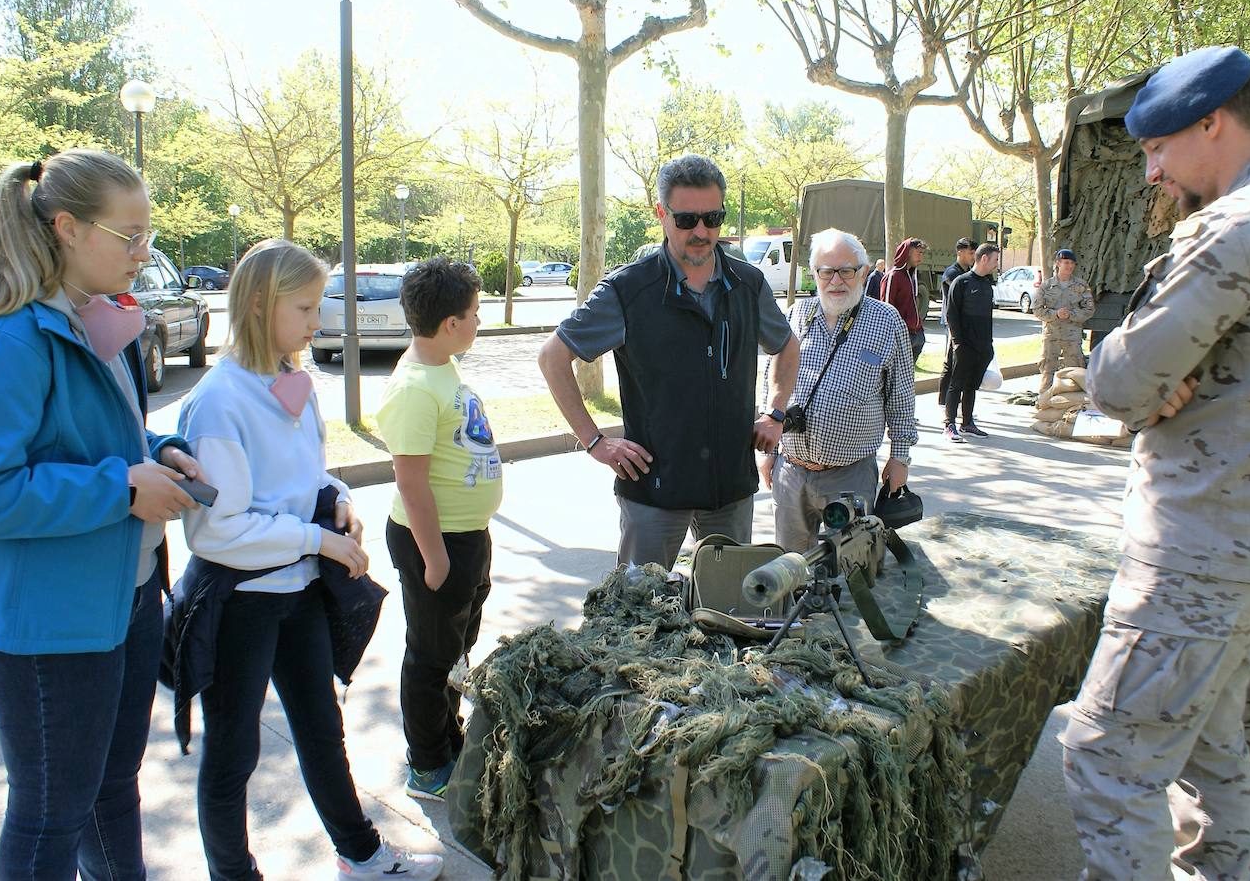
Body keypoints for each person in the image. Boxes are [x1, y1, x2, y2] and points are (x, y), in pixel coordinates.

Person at [1060, 46, 1250, 881]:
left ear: (1212, 123)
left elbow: (1115, 378)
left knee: (1106, 757)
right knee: (1212, 752)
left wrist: (1135, 374)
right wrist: (1156, 383)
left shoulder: (1241, 225)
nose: (1149, 171)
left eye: (1157, 148)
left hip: (1201, 550)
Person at [178, 239, 443, 880]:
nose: (317, 321)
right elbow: (216, 531)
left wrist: (339, 499)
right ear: (261, 304)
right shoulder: (218, 402)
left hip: (297, 594)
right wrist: (319, 541)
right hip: (242, 603)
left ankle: (360, 852)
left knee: (323, 732)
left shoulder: (291, 378)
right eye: (305, 307)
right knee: (232, 754)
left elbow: (308, 477)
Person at [0, 150, 203, 880]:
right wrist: (122, 488)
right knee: (49, 815)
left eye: (148, 234)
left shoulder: (97, 316)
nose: (145, 253)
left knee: (110, 791)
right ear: (68, 227)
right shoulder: (9, 337)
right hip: (49, 626)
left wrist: (160, 451)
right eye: (128, 235)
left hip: (124, 600)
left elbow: (107, 439)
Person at [539, 153, 799, 570]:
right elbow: (553, 357)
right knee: (637, 619)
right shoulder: (627, 290)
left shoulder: (748, 284)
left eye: (713, 219)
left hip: (730, 489)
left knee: (725, 611)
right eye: (686, 220)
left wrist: (775, 412)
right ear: (662, 214)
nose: (701, 232)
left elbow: (787, 345)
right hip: (654, 493)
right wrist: (594, 442)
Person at [376, 258, 501, 803]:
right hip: (438, 543)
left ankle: (448, 739)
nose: (478, 322)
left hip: (465, 536)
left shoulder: (442, 367)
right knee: (430, 657)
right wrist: (434, 560)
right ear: (450, 322)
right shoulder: (413, 388)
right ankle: (427, 764)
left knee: (455, 646)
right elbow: (412, 484)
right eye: (474, 314)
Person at [760, 228, 916, 551]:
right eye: (827, 271)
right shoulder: (796, 315)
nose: (836, 281)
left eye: (846, 271)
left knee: (851, 574)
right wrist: (768, 453)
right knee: (790, 572)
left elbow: (901, 397)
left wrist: (900, 458)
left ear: (863, 272)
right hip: (791, 473)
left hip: (851, 477)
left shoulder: (887, 322)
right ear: (814, 274)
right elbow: (770, 383)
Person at [941, 242, 1000, 442]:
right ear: (984, 258)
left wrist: (989, 347)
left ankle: (967, 423)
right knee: (956, 384)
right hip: (963, 346)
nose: (997, 264)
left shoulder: (987, 285)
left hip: (982, 347)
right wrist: (958, 343)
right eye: (995, 259)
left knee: (971, 386)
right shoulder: (961, 282)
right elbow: (952, 315)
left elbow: (987, 318)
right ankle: (949, 424)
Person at [1033, 248, 1095, 393]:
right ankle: (1044, 400)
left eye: (1072, 263)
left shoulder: (1081, 286)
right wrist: (1055, 314)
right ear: (1058, 263)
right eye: (1066, 262)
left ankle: (1074, 403)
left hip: (1072, 336)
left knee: (1075, 371)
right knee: (1048, 369)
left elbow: (1089, 309)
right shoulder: (1046, 286)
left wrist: (1071, 314)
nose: (1069, 266)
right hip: (1052, 335)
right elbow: (1037, 309)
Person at [882, 238, 928, 360]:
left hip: (916, 334)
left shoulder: (912, 276)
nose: (921, 257)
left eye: (922, 253)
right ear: (907, 252)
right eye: (918, 253)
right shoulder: (893, 276)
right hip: (901, 336)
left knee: (909, 377)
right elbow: (886, 308)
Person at [939, 238, 975, 326]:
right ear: (959, 252)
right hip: (952, 322)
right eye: (971, 253)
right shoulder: (952, 273)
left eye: (975, 253)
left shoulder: (970, 272)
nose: (974, 257)